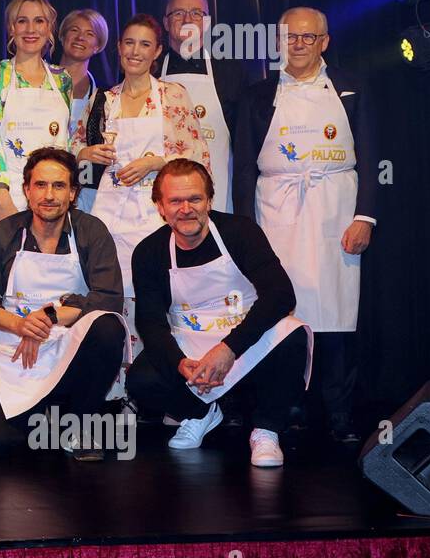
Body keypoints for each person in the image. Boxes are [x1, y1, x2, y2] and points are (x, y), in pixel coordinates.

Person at [233, 7, 376, 444]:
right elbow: (242, 168)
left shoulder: (351, 89)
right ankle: (284, 407)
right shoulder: (257, 95)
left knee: (335, 312)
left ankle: (338, 412)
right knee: (278, 312)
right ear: (279, 41)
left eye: (308, 38)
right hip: (275, 211)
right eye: (291, 37)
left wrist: (364, 216)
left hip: (336, 209)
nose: (298, 45)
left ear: (324, 42)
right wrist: (244, 230)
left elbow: (371, 154)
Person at [128, 159, 311, 467]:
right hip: (191, 338)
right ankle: (200, 413)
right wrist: (179, 364)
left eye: (195, 199)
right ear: (160, 206)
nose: (186, 208)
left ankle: (266, 431)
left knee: (293, 335)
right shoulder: (148, 252)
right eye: (175, 201)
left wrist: (228, 349)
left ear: (209, 200)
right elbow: (150, 321)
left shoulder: (240, 232)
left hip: (243, 336)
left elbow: (281, 295)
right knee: (140, 380)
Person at [0, 148, 126, 460]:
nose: (49, 195)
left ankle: (82, 423)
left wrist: (49, 315)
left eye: (58, 186)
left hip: (70, 344)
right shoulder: (2, 235)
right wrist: (21, 325)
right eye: (40, 185)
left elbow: (108, 297)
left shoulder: (91, 231)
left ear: (73, 193)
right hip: (19, 350)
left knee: (108, 328)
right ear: (26, 190)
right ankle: (55, 420)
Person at [77, 13, 208, 387]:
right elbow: (72, 150)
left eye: (145, 44)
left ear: (157, 51)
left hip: (156, 215)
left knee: (157, 302)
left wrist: (156, 163)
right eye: (129, 43)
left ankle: (164, 386)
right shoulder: (104, 99)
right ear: (118, 48)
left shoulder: (172, 95)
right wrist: (89, 154)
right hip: (109, 214)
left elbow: (198, 155)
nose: (136, 51)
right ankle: (114, 389)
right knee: (109, 298)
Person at [0, 0, 74, 230]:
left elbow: (66, 141)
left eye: (39, 21)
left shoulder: (62, 79)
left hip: (54, 200)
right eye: (22, 21)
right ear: (11, 28)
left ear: (49, 27)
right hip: (9, 198)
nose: (31, 29)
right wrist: (4, 200)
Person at [159, 0, 251, 212]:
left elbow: (245, 143)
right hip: (160, 193)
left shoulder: (230, 71)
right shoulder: (150, 69)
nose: (187, 19)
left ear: (207, 22)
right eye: (178, 13)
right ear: (166, 22)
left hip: (217, 191)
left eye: (196, 13)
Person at [55, 8, 109, 213]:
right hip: (47, 186)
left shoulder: (105, 97)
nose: (80, 38)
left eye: (90, 34)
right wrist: (79, 153)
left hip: (89, 195)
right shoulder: (39, 86)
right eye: (74, 30)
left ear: (98, 45)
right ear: (62, 36)